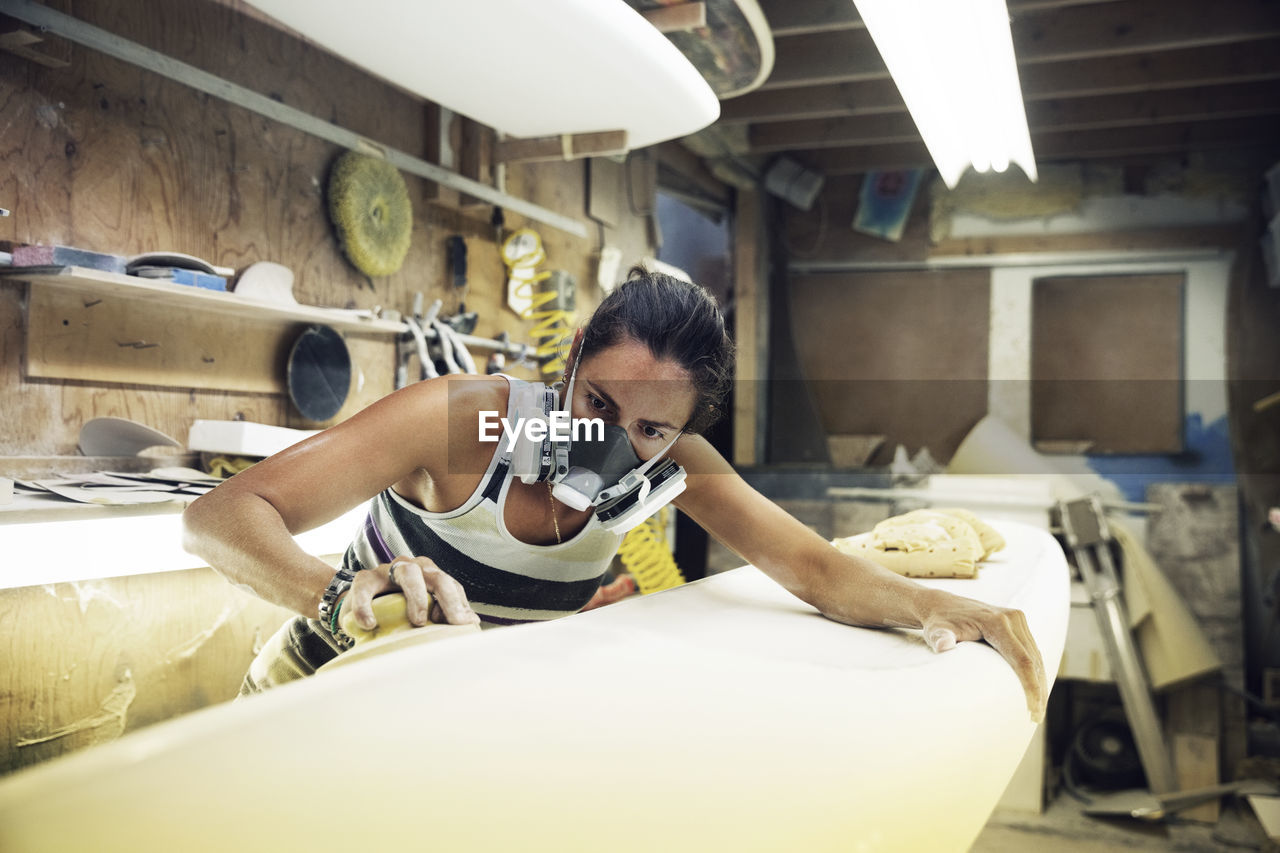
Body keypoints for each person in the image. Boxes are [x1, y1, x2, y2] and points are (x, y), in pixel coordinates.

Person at [182, 267, 1046, 717]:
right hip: (316, 692)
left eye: (649, 429)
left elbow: (814, 569)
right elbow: (218, 516)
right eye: (597, 404)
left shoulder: (670, 466)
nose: (610, 442)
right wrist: (333, 595)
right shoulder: (468, 423)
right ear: (572, 359)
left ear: (682, 432)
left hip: (453, 714)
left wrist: (935, 604)